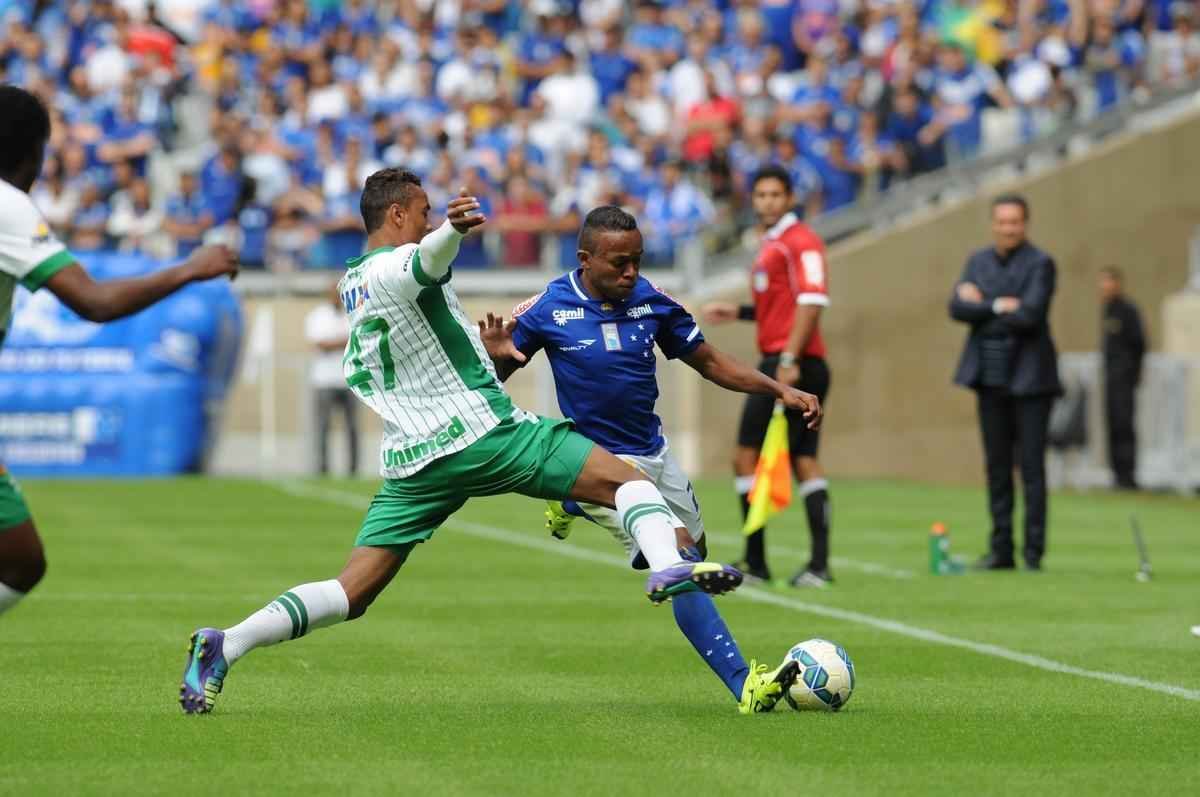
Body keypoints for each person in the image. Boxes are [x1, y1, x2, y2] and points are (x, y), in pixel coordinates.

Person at [178, 169, 754, 715]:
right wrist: (451, 231)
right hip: (481, 434)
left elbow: (422, 345)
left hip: (413, 460)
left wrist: (493, 355)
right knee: (631, 482)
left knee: (351, 592)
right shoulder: (398, 263)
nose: (428, 221)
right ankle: (668, 565)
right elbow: (421, 264)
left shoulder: (349, 281)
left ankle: (225, 645)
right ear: (398, 213)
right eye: (423, 212)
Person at [481, 205, 821, 713]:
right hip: (594, 462)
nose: (631, 272)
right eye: (620, 263)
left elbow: (709, 362)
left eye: (637, 260)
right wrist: (496, 357)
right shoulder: (549, 306)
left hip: (653, 453)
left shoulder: (651, 302)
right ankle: (744, 686)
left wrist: (780, 391)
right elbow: (493, 381)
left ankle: (568, 508)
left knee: (698, 549)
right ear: (585, 259)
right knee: (681, 561)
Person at [0, 85, 238, 619]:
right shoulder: (8, 206)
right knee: (19, 562)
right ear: (31, 155)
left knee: (19, 559)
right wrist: (190, 268)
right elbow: (95, 301)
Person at [701, 165, 834, 588]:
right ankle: (803, 564)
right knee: (796, 459)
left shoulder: (802, 242)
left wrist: (790, 357)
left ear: (790, 198)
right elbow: (783, 307)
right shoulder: (771, 244)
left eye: (776, 195)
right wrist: (739, 312)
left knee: (755, 455)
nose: (767, 202)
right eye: (760, 195)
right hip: (781, 360)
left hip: (793, 364)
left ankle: (781, 562)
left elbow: (812, 302)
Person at [948, 194, 1063, 571]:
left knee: (1031, 467)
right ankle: (1001, 550)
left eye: (1015, 222)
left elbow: (1030, 314)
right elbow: (956, 308)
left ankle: (1033, 552)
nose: (1008, 228)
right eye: (1002, 221)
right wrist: (1000, 306)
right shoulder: (977, 260)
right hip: (989, 378)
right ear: (993, 224)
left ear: (1025, 224)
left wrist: (982, 304)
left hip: (1031, 380)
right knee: (996, 468)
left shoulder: (1041, 263)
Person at [1099, 266, 1146, 490]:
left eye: (1109, 282)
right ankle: (1117, 474)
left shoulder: (1128, 310)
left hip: (1124, 378)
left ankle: (1128, 475)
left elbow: (1139, 344)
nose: (1105, 287)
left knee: (1124, 424)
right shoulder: (1107, 309)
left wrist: (1133, 373)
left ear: (1118, 283)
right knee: (1113, 425)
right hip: (1110, 378)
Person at [306, 283, 358, 475]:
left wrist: (337, 342)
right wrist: (345, 341)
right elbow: (321, 344)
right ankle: (322, 468)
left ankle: (353, 469)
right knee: (322, 427)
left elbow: (359, 341)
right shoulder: (318, 316)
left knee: (352, 427)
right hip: (324, 381)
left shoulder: (353, 314)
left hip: (349, 380)